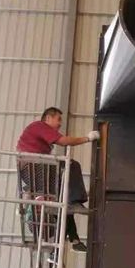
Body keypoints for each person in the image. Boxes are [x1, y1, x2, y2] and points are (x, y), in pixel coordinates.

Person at [16, 107, 99, 252]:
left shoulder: (39, 137)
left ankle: (74, 239)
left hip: (35, 170)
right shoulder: (39, 126)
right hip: (34, 167)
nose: (60, 123)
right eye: (58, 119)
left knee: (63, 197)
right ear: (48, 118)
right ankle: (75, 202)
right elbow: (64, 141)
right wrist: (87, 138)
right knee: (72, 165)